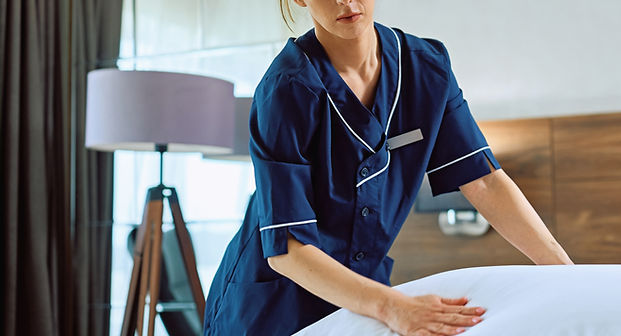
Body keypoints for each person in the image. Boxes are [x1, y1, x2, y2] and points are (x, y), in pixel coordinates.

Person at [203, 0, 574, 335]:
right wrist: (392, 306)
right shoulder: (286, 89)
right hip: (271, 306)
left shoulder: (426, 67)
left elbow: (484, 180)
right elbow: (287, 247)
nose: (344, 0)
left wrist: (568, 275)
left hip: (365, 295)